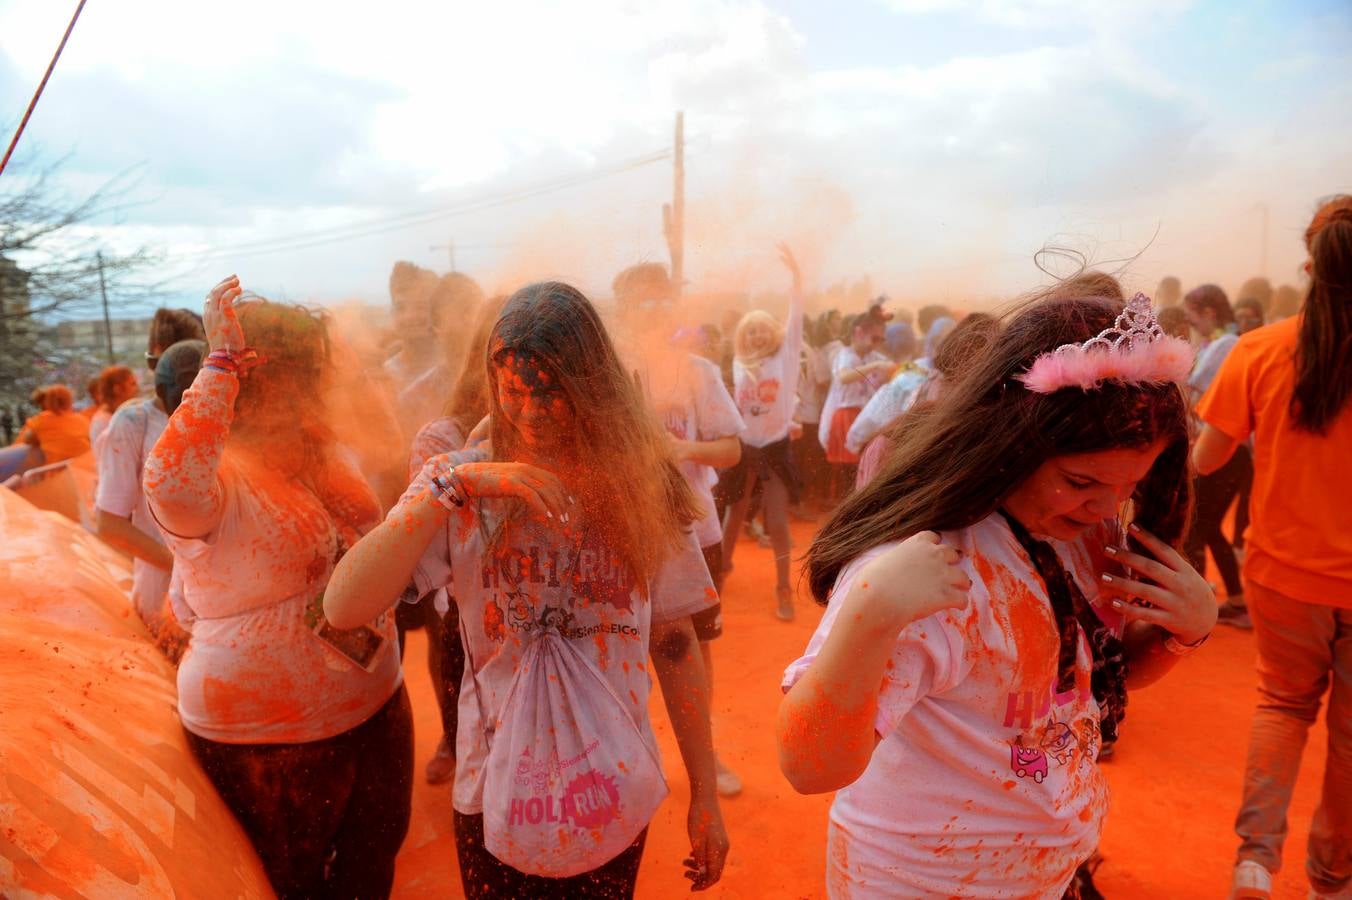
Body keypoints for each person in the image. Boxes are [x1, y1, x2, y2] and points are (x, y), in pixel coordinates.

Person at [779, 291, 1215, 898]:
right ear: (1012, 441)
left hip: (1043, 875)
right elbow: (809, 765)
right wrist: (871, 614)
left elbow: (1078, 682)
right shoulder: (933, 566)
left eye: (1128, 485)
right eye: (1080, 482)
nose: (1104, 508)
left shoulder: (1086, 533)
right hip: (921, 882)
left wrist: (1183, 633)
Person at [325, 281, 728, 898]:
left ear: (593, 383)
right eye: (515, 390)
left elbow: (673, 642)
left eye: (554, 391)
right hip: (494, 791)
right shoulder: (462, 484)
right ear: (492, 382)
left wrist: (705, 793)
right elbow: (344, 604)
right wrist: (452, 485)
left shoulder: (643, 482)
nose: (534, 411)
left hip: (612, 785)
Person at [143, 276, 411, 898]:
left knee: (371, 872)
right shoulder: (214, 478)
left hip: (377, 701)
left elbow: (390, 440)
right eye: (285, 369)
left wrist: (341, 353)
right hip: (266, 738)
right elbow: (169, 483)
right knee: (292, 888)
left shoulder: (321, 445)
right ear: (252, 376)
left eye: (307, 369)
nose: (301, 385)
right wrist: (220, 365)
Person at [1194, 195, 1352, 900]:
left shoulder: (1258, 350)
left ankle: (1256, 861)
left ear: (1310, 264)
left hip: (1282, 572)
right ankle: (1334, 879)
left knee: (1282, 708)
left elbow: (1205, 460)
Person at [614, 261, 747, 797]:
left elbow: (733, 450)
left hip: (693, 530)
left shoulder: (699, 372)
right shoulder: (609, 373)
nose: (651, 310)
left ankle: (704, 758)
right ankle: (626, 759)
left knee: (692, 647)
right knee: (617, 644)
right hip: (621, 532)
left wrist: (681, 450)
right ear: (623, 310)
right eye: (639, 300)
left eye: (659, 299)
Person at [402, 292, 508, 787]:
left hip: (545, 619)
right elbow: (425, 542)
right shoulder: (442, 440)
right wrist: (473, 460)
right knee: (475, 742)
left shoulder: (573, 433)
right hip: (468, 616)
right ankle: (453, 742)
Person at [722, 245, 807, 621]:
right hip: (745, 447)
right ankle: (718, 581)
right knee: (733, 515)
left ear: (773, 332)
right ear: (743, 336)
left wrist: (796, 280)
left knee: (776, 519)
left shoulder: (784, 356)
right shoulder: (740, 362)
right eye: (749, 330)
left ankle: (783, 587)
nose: (756, 335)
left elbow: (797, 320)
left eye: (762, 329)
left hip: (773, 448)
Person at [95, 342, 203, 641]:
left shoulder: (222, 415)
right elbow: (109, 524)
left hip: (223, 603)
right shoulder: (132, 423)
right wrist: (189, 569)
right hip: (162, 600)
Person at [852, 313, 1001, 488]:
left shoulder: (921, 373)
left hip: (895, 466)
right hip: (903, 473)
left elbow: (869, 425)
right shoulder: (926, 380)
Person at [1183, 284, 1251, 627]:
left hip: (1226, 447)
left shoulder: (1228, 344)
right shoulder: (1222, 342)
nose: (1194, 326)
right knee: (1206, 527)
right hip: (1223, 445)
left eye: (1194, 318)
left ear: (1209, 313)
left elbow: (1195, 389)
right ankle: (1233, 601)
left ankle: (1199, 606)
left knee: (1201, 526)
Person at [398, 271, 486, 442]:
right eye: (466, 310)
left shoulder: (504, 387)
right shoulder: (414, 399)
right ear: (437, 322)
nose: (476, 320)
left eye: (479, 310)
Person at [818, 305, 892, 492]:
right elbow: (844, 377)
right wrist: (875, 366)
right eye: (874, 338)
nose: (877, 344)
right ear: (858, 333)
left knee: (865, 466)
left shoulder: (873, 356)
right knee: (848, 470)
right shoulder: (845, 355)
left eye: (881, 339)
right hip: (847, 416)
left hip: (867, 417)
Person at [18, 384, 91, 464]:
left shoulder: (40, 420)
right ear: (69, 400)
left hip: (58, 471)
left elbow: (28, 440)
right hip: (87, 468)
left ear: (47, 401)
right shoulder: (82, 419)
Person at [89, 365, 140, 448]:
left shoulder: (124, 412)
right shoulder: (103, 421)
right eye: (133, 384)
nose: (137, 388)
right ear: (118, 389)